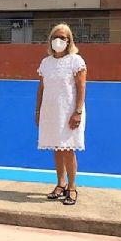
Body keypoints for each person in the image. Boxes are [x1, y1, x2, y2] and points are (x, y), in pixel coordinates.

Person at [35, 23, 87, 205]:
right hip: (51, 112)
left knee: (68, 149)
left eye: (63, 37)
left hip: (69, 112)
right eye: (55, 37)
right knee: (56, 148)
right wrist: (38, 110)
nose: (59, 40)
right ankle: (60, 184)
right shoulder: (45, 63)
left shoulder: (76, 61)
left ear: (69, 40)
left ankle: (72, 187)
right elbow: (41, 88)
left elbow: (81, 88)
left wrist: (78, 112)